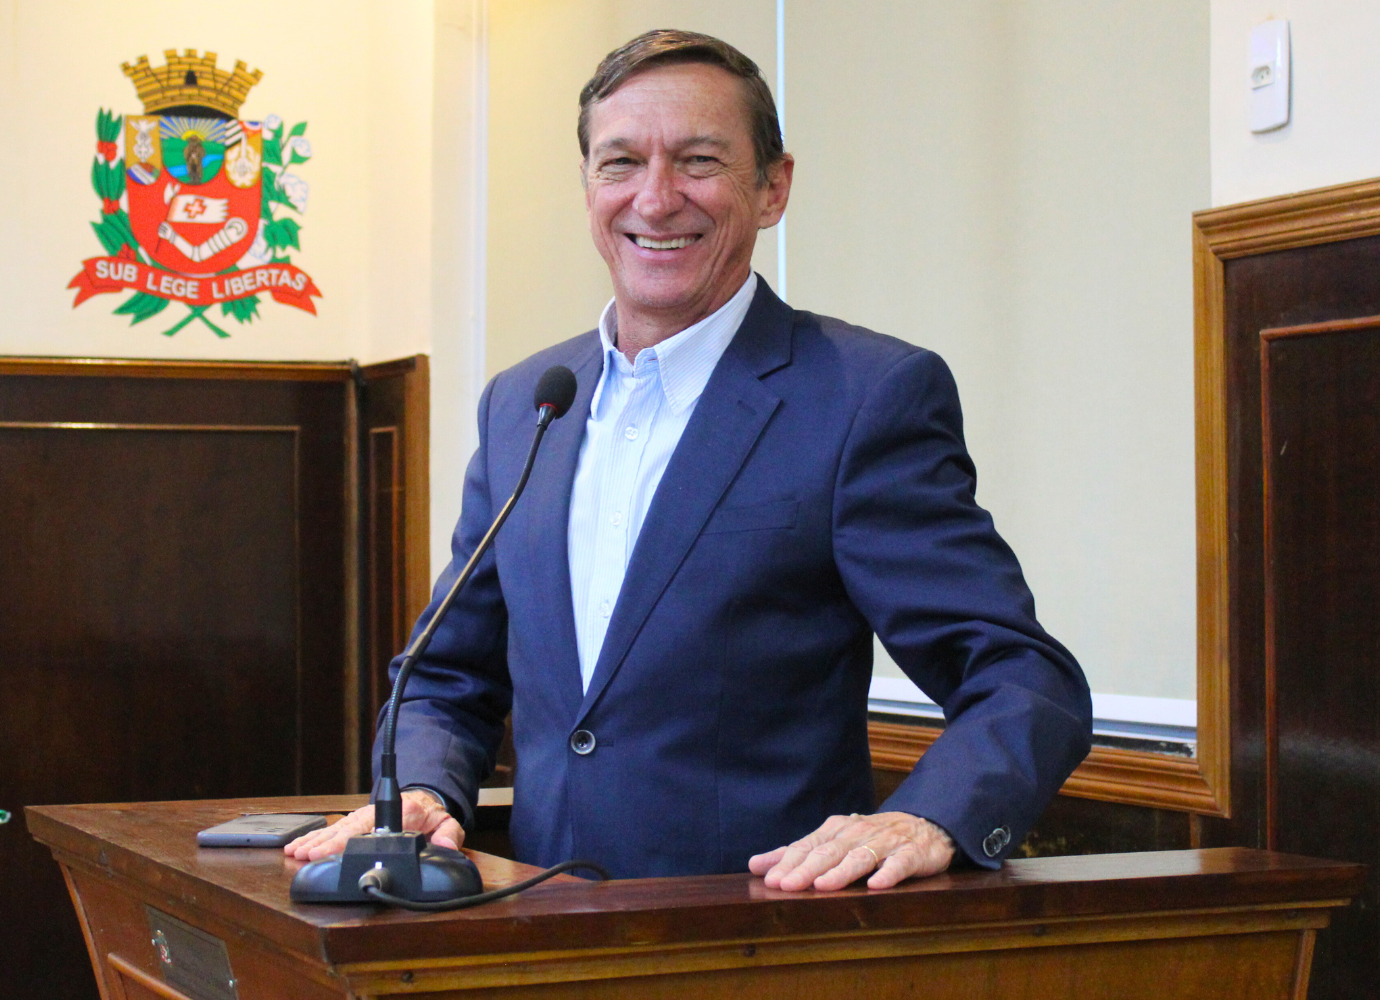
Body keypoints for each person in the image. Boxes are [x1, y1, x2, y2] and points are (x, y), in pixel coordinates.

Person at [289, 29, 1090, 891]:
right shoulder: (527, 404)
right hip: (534, 930)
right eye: (621, 162)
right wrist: (420, 787)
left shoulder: (863, 397)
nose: (656, 197)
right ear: (588, 186)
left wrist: (932, 815)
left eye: (699, 161)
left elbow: (1023, 677)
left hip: (753, 932)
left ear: (773, 188)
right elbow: (446, 674)